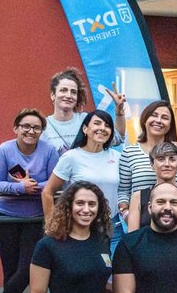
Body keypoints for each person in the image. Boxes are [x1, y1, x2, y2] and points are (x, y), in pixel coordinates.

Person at [0, 68, 126, 191]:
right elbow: (11, 158)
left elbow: (117, 137)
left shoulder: (87, 121)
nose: (68, 95)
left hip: (87, 197)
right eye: (63, 90)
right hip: (57, 198)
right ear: (52, 95)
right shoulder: (41, 127)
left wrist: (119, 111)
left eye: (73, 92)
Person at [0, 109, 59, 293]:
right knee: (9, 268)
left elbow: (56, 183)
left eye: (36, 127)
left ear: (42, 131)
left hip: (35, 218)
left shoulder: (49, 150)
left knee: (27, 269)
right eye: (26, 126)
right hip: (5, 217)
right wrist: (21, 187)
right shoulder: (5, 149)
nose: (31, 131)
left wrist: (34, 186)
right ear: (16, 129)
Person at [43, 109, 124, 256]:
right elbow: (48, 192)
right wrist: (52, 225)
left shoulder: (118, 157)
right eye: (97, 123)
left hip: (112, 227)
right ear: (85, 129)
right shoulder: (71, 157)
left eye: (107, 125)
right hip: (79, 227)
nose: (102, 128)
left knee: (114, 274)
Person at [117, 100, 177, 220]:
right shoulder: (129, 153)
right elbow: (123, 191)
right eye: (154, 115)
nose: (158, 121)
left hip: (176, 221)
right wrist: (127, 215)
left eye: (164, 117)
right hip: (140, 221)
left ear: (170, 125)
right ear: (144, 119)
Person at [127, 142, 177, 232]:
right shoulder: (137, 197)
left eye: (172, 159)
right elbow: (132, 238)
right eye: (161, 159)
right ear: (152, 165)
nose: (167, 164)